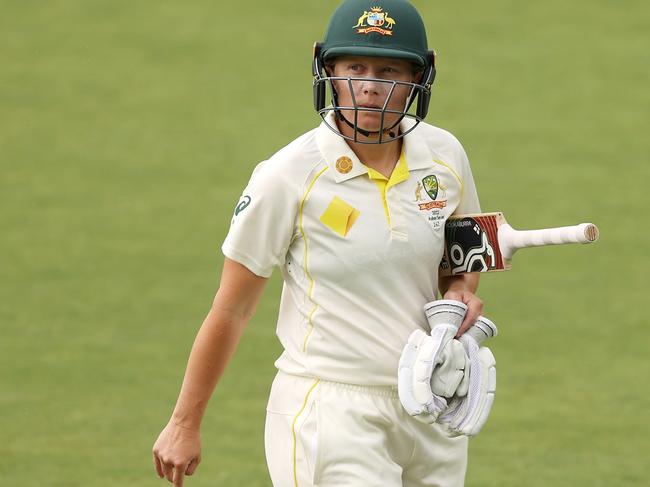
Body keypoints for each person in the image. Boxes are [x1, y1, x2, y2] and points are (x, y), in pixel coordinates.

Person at [152, 1, 484, 485]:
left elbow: (462, 253)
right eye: (355, 68)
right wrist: (185, 422)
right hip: (330, 412)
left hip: (430, 404)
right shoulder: (287, 176)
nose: (369, 85)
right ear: (328, 70)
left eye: (388, 70)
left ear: (419, 77)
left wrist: (461, 290)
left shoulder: (445, 155)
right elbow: (232, 309)